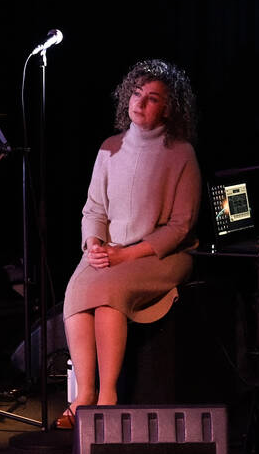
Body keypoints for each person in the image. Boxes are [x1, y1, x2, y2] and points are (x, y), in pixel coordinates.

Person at [58, 59, 201, 428]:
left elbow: (180, 226)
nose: (139, 103)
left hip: (161, 254)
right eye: (136, 94)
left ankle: (107, 397)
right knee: (75, 294)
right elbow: (94, 208)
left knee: (109, 299)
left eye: (152, 98)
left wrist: (126, 254)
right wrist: (93, 242)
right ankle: (84, 395)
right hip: (112, 250)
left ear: (168, 108)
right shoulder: (109, 148)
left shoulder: (181, 153)